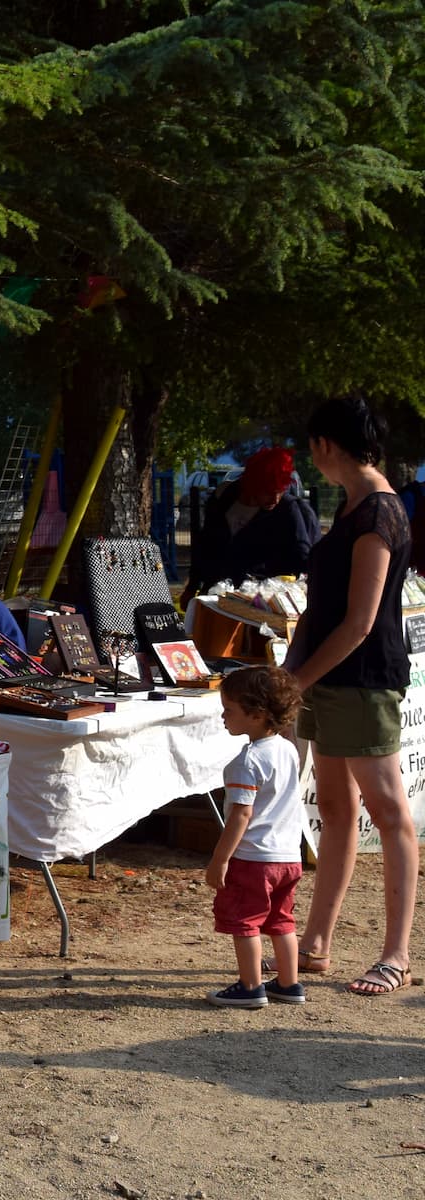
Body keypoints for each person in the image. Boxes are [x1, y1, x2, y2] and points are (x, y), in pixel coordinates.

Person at [285, 396, 416, 997]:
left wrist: (298, 680)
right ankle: (316, 943)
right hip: (330, 678)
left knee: (388, 815)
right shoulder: (352, 506)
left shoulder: (379, 513)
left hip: (362, 680)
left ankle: (397, 954)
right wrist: (292, 672)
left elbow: (361, 622)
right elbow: (324, 607)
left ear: (325, 446)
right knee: (335, 811)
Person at [205, 667, 305, 1009]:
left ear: (257, 714)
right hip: (288, 856)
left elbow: (241, 815)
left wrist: (220, 859)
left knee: (244, 921)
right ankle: (289, 983)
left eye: (229, 709)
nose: (223, 715)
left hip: (253, 858)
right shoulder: (287, 749)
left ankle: (250, 986)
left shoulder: (246, 762)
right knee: (281, 919)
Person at [180, 447, 320, 608]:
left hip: (258, 601)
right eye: (268, 492)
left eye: (280, 492)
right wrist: (192, 587)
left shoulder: (288, 509)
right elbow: (205, 546)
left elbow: (303, 557)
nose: (275, 499)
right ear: (253, 484)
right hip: (216, 592)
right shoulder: (224, 497)